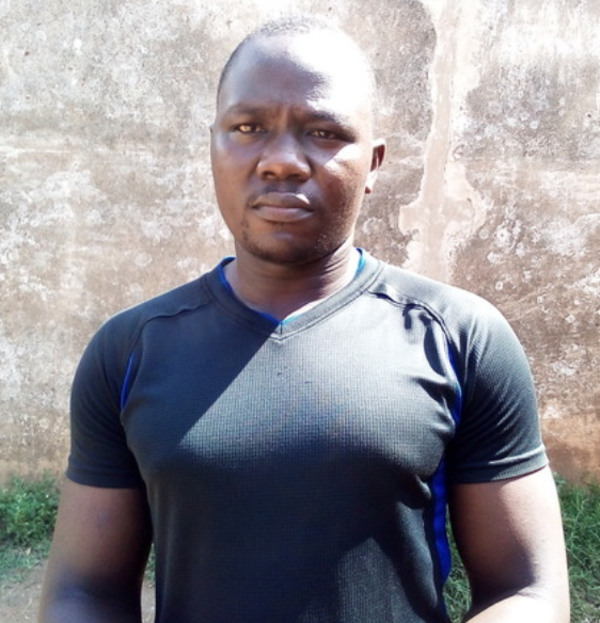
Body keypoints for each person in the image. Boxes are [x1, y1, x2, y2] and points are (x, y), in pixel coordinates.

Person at [39, 15, 569, 623]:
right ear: (213, 146)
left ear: (373, 165)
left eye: (322, 132)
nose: (282, 162)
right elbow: (84, 591)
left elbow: (528, 590)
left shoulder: (460, 338)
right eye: (248, 128)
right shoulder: (130, 351)